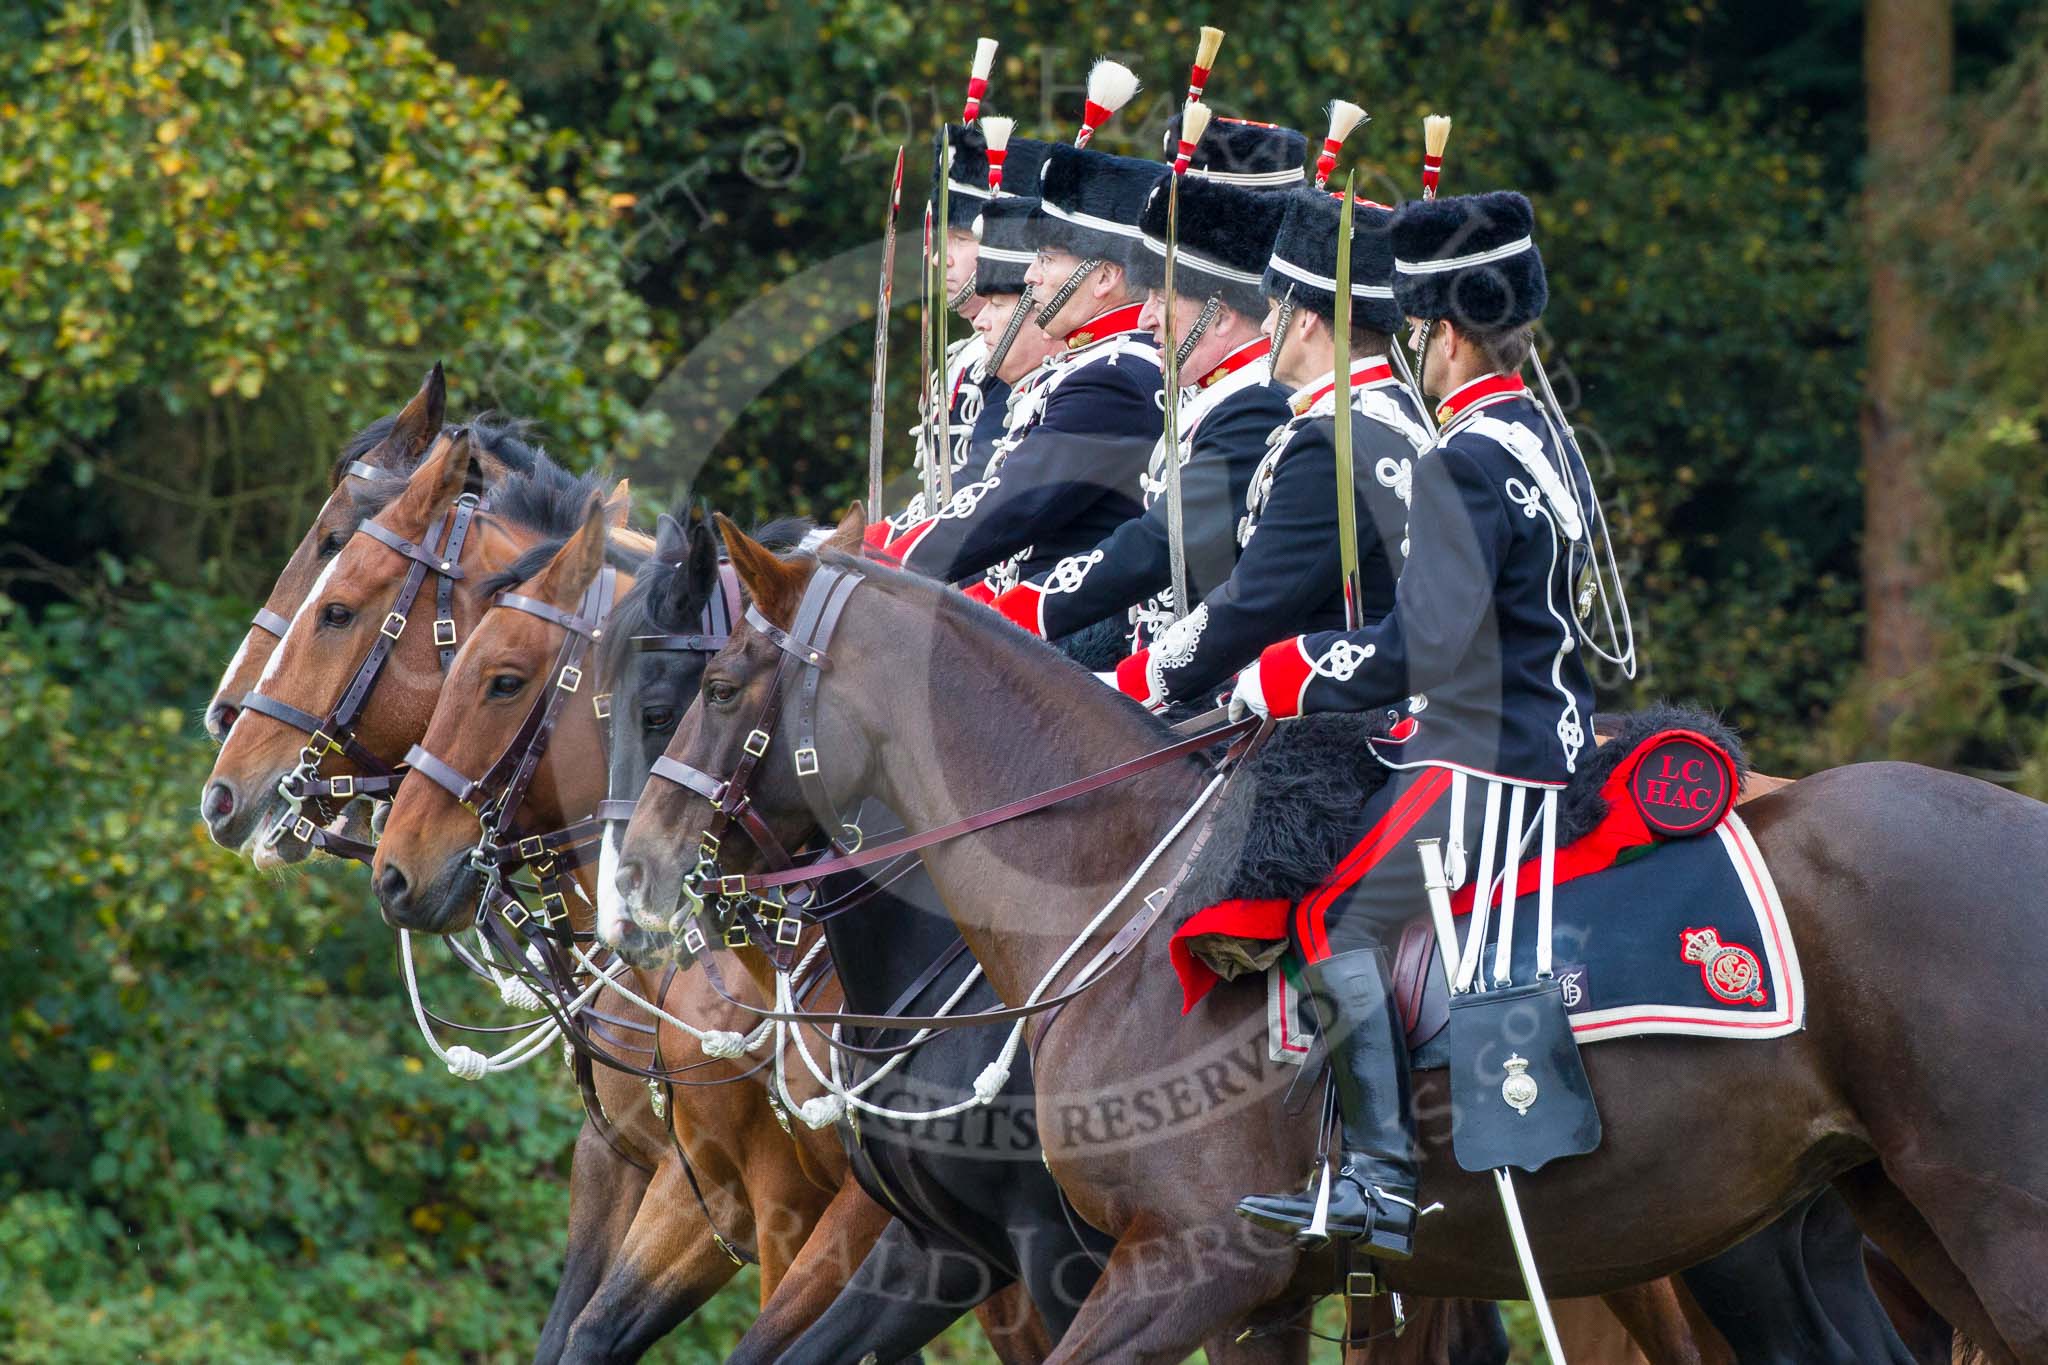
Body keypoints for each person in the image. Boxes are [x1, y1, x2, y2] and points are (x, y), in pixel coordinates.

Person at [1230, 190, 1600, 1256]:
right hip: (1545, 737)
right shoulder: (1538, 438)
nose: (1409, 352)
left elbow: (1420, 650)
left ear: (1442, 334)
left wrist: (1285, 672)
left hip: (1483, 760)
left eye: (1414, 331)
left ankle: (1379, 1185)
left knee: (1327, 919)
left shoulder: (1463, 459)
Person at [1090, 187, 1432, 711]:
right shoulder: (1373, 412)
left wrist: (1132, 685)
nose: (1267, 324)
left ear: (1307, 320)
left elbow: (1254, 603)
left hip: (1333, 719)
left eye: (1275, 310)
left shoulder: (1333, 438)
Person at [987, 122, 1300, 653]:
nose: (1147, 317)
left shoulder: (1256, 405)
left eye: (1161, 298)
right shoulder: (1215, 394)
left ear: (1219, 315)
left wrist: (1025, 610)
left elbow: (1161, 543)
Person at [881, 143, 1166, 600]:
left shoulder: (1116, 377)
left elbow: (1010, 506)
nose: (1031, 276)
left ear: (1105, 277)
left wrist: (876, 565)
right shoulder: (1089, 366)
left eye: (1047, 259)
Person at [883, 125, 1050, 539]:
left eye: (958, 238)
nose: (940, 259)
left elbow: (979, 482)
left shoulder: (1023, 348)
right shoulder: (970, 352)